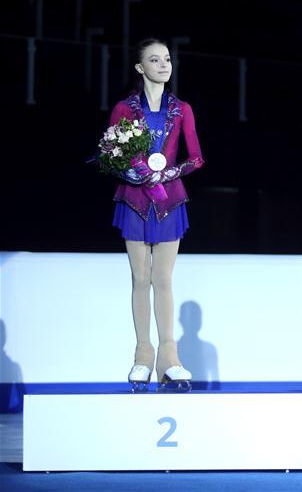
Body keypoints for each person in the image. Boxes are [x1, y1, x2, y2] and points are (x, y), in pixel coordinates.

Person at [107, 38, 204, 390]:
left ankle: (170, 358)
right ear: (139, 67)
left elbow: (195, 157)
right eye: (154, 59)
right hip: (134, 197)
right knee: (140, 278)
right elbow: (111, 152)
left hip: (168, 199)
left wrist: (169, 173)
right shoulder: (124, 108)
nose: (164, 65)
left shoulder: (183, 109)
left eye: (167, 59)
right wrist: (132, 172)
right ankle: (142, 356)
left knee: (163, 279)